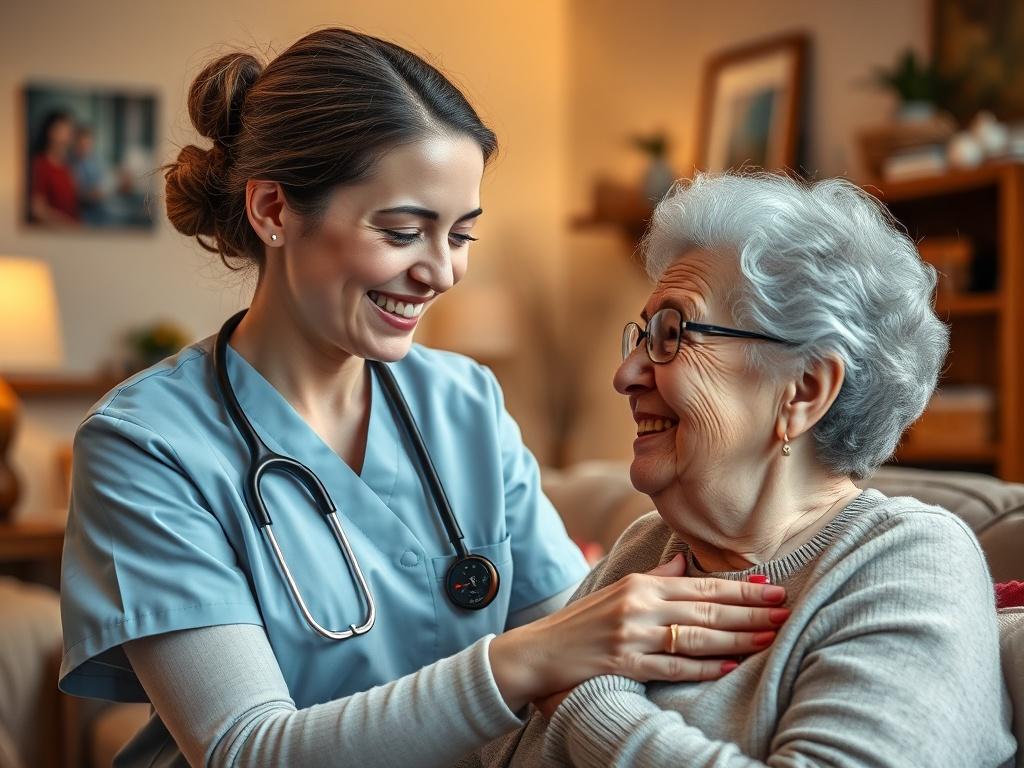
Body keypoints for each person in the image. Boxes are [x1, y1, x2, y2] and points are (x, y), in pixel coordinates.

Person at [58, 30, 790, 767]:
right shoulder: (145, 443)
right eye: (404, 231)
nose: (440, 272)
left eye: (461, 235)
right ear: (274, 209)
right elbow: (246, 750)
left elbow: (579, 654)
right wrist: (522, 661)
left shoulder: (463, 401)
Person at [477, 172, 1017, 767]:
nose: (625, 375)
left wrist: (589, 703)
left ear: (804, 390)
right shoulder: (650, 548)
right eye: (641, 335)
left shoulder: (905, 560)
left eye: (672, 334)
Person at [29, 109, 80, 225]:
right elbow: (37, 210)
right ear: (50, 132)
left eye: (70, 130)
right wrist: (71, 227)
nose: (68, 135)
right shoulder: (40, 165)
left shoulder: (67, 165)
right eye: (63, 130)